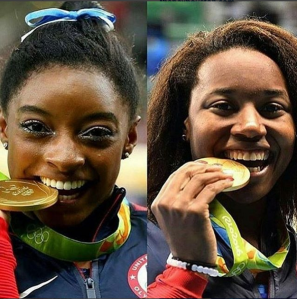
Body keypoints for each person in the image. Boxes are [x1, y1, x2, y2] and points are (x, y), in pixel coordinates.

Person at [0, 1, 147, 298]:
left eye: (96, 133)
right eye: (37, 127)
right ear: (4, 128)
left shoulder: (172, 242)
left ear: (130, 137)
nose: (65, 158)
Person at [147, 18, 297, 298]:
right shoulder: (139, 246)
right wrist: (187, 270)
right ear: (186, 125)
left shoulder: (290, 251)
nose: (251, 126)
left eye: (272, 108)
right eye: (224, 106)